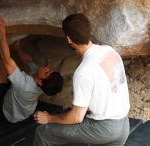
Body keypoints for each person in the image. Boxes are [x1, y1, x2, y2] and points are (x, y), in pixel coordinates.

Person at [33, 13, 130, 146]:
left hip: (103, 129)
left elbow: (76, 117)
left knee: (44, 132)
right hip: (124, 125)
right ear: (90, 32)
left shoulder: (83, 71)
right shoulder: (109, 50)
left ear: (68, 40)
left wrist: (48, 118)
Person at [0, 12, 64, 123]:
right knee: (13, 71)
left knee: (1, 61)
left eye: (46, 72)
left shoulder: (24, 85)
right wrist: (18, 48)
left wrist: (1, 31)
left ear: (40, 82)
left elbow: (7, 60)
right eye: (49, 70)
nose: (46, 68)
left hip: (7, 113)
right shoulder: (43, 85)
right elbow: (28, 60)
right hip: (23, 111)